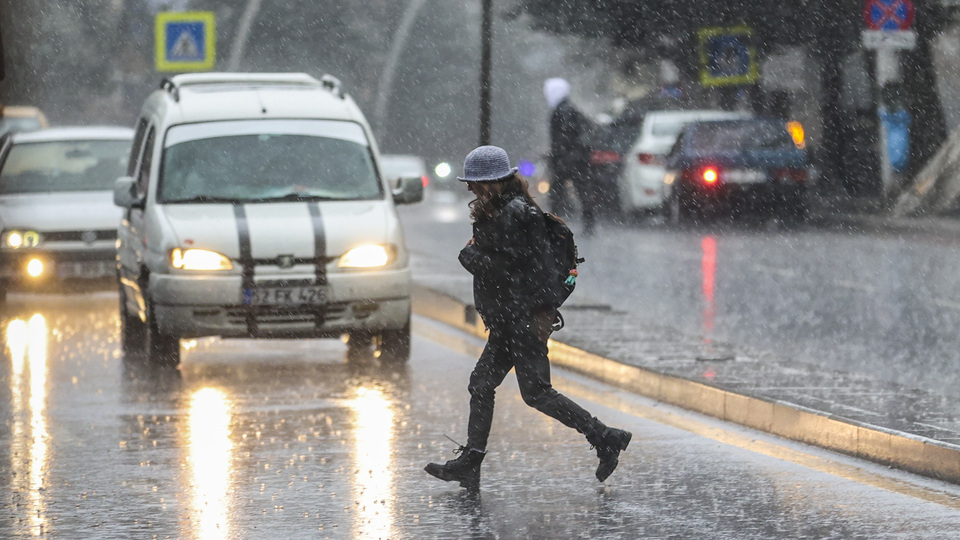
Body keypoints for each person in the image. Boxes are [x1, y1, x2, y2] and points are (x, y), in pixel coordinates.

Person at [424, 145, 631, 490]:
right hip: (512, 318)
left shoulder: (514, 215)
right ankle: (471, 462)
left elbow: (516, 269)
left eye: (474, 182)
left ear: (490, 183)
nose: (469, 188)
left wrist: (470, 256)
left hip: (522, 318)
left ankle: (605, 437)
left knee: (535, 392)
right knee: (483, 383)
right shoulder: (504, 211)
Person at [544, 77, 596, 235]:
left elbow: (564, 137)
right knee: (582, 191)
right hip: (575, 160)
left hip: (566, 161)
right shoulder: (569, 109)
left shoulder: (562, 111)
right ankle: (587, 224)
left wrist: (558, 154)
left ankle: (554, 226)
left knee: (557, 194)